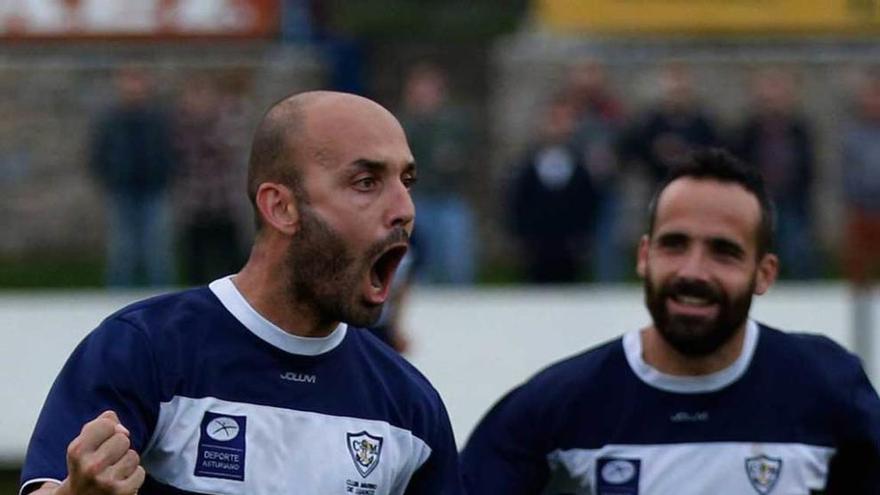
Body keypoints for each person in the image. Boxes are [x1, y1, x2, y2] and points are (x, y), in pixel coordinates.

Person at [20, 91, 463, 495]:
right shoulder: (144, 349)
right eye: (366, 182)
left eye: (407, 182)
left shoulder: (409, 408)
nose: (404, 209)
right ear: (281, 207)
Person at [462, 148, 880, 494]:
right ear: (645, 257)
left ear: (764, 274)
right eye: (674, 245)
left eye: (724, 252)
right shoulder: (555, 408)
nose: (693, 271)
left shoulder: (829, 389)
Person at [90, 67, 176, 287]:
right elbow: (98, 153)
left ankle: (161, 294)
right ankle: (117, 293)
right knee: (122, 247)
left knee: (156, 246)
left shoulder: (158, 119)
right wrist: (109, 177)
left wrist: (166, 175)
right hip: (121, 189)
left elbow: (171, 150)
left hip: (153, 188)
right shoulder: (111, 120)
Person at [734, 68, 819, 279]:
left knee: (798, 254)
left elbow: (809, 165)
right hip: (758, 200)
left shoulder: (800, 129)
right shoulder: (748, 130)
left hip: (792, 200)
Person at [398, 63, 477, 285]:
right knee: (418, 262)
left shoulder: (455, 123)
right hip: (416, 201)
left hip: (449, 199)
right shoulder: (402, 124)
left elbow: (469, 157)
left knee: (456, 261)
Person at [508, 95, 596, 283]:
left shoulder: (581, 164)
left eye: (564, 120)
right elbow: (516, 202)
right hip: (536, 248)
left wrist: (582, 237)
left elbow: (588, 203)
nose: (558, 126)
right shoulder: (526, 164)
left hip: (570, 249)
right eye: (553, 120)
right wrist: (521, 238)